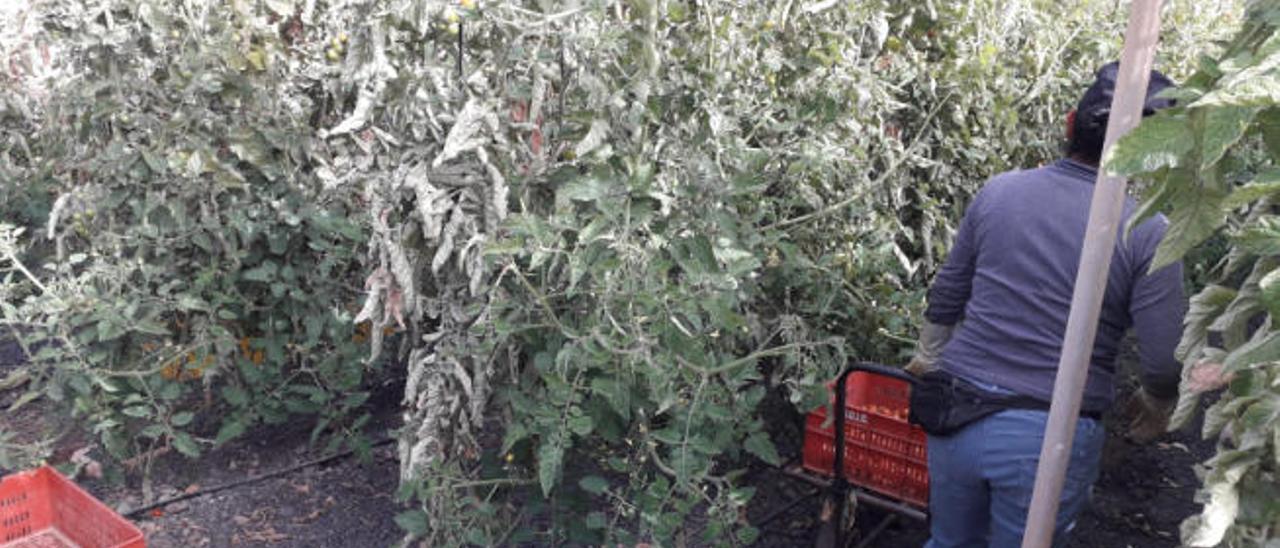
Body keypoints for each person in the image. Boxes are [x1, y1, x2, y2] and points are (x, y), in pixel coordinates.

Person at [904, 62, 1187, 547]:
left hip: (954, 411)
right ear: (1149, 156)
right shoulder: (1148, 231)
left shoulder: (1000, 191)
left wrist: (929, 354)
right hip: (1046, 436)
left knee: (950, 541)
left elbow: (949, 290)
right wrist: (1157, 401)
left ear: (1069, 124)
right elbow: (1163, 357)